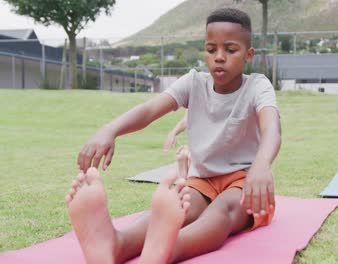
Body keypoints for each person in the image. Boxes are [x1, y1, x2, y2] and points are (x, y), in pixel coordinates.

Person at [69, 7, 281, 264]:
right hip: (202, 180)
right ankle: (117, 244)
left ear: (249, 55)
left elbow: (272, 129)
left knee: (221, 212)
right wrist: (109, 130)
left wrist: (261, 165)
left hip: (244, 182)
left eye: (230, 49)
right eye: (211, 49)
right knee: (184, 207)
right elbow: (150, 110)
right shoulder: (193, 82)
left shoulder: (258, 85)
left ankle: (166, 250)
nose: (219, 57)